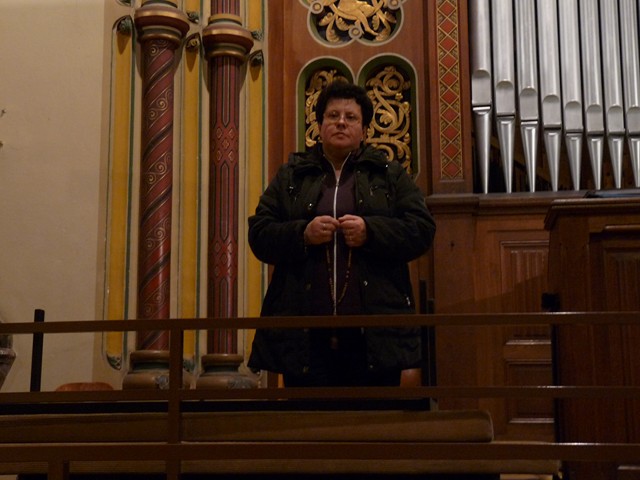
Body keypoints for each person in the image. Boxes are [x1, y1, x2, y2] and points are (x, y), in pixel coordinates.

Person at [247, 80, 436, 387]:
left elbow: (422, 229)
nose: (341, 123)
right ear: (319, 126)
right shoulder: (291, 176)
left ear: (364, 130)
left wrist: (371, 231)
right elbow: (259, 233)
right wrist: (303, 234)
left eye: (351, 117)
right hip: (304, 336)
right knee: (308, 416)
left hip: (374, 335)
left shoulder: (389, 175)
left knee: (372, 416)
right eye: (333, 116)